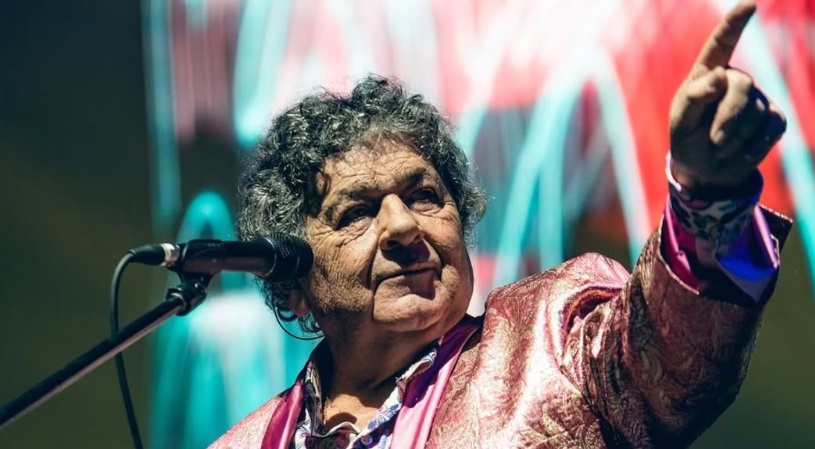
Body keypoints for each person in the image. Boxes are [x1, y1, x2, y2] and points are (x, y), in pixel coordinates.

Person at [209, 2, 791, 448]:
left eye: (424, 196)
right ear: (293, 282)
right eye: (357, 212)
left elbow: (669, 354)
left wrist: (706, 191)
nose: (404, 226)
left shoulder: (556, 335)